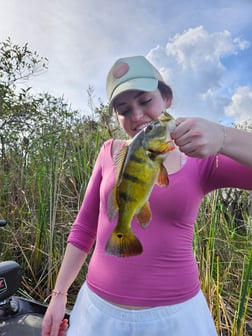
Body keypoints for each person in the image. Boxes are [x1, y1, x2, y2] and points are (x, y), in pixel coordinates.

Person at [41, 55, 252, 336]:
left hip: (176, 317)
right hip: (98, 312)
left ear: (166, 98)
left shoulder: (202, 156)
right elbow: (84, 227)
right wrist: (58, 295)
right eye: (123, 108)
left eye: (145, 101)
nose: (136, 115)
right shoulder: (109, 152)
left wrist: (224, 138)